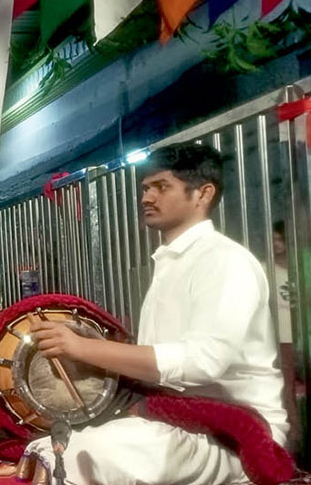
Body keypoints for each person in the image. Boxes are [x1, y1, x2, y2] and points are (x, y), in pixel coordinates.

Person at [24, 144, 288, 484]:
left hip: (231, 432)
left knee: (83, 455)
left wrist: (82, 348)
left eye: (162, 187)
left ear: (203, 194)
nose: (147, 197)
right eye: (146, 188)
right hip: (175, 417)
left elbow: (204, 361)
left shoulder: (225, 261)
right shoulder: (171, 261)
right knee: (55, 445)